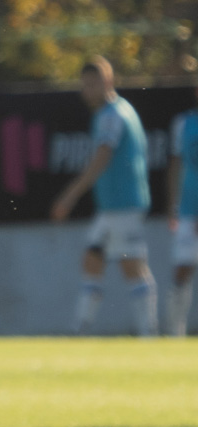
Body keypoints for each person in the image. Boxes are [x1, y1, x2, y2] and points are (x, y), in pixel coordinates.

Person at [51, 56, 156, 337]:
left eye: (93, 84)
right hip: (114, 206)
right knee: (92, 259)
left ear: (108, 82)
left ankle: (149, 335)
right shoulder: (118, 111)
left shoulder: (113, 116)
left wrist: (70, 195)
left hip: (124, 204)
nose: (87, 90)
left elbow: (102, 157)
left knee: (132, 266)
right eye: (84, 85)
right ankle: (80, 328)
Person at [166, 80, 198, 338]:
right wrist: (173, 207)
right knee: (183, 269)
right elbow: (176, 166)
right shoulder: (183, 123)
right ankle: (175, 335)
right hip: (188, 210)